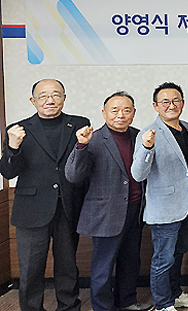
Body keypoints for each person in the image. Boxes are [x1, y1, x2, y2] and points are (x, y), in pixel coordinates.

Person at [0, 79, 89, 311]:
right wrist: (13, 147)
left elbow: (84, 163)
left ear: (64, 98)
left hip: (67, 205)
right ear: (33, 100)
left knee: (67, 265)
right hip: (31, 208)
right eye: (43, 96)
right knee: (30, 268)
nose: (50, 100)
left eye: (56, 95)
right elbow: (8, 171)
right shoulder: (18, 129)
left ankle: (69, 307)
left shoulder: (79, 124)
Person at [65, 91, 151, 311]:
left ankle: (127, 302)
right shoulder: (92, 139)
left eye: (126, 110)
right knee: (103, 266)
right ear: (104, 113)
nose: (120, 115)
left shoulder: (139, 136)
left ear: (134, 113)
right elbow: (73, 175)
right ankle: (102, 307)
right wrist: (81, 146)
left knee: (130, 261)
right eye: (114, 110)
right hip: (106, 212)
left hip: (135, 209)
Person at [131, 82, 188, 311]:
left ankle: (175, 294)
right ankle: (162, 304)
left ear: (183, 103)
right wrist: (146, 147)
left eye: (176, 100)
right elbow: (138, 174)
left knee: (178, 254)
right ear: (155, 106)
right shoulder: (148, 133)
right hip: (164, 208)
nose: (171, 105)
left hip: (187, 204)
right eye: (165, 102)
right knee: (163, 259)